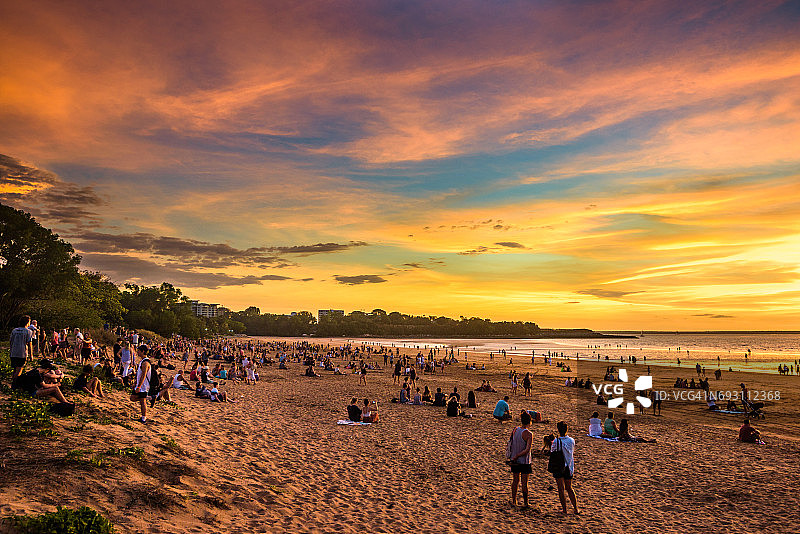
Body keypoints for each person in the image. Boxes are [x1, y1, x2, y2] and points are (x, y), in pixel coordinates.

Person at [506, 410, 533, 508]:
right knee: (524, 483)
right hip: (524, 461)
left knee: (515, 480)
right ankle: (526, 503)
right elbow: (527, 450)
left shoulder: (515, 430)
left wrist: (514, 456)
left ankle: (514, 500)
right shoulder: (529, 434)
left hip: (515, 460)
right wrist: (518, 455)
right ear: (530, 422)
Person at [551, 421, 579, 515]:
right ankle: (575, 508)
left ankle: (564, 509)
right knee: (569, 488)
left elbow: (553, 451)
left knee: (561, 489)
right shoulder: (571, 440)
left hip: (559, 466)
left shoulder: (556, 441)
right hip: (568, 466)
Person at [10, 315, 34, 387]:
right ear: (27, 322)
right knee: (19, 369)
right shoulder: (28, 331)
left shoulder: (14, 330)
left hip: (13, 352)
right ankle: (15, 384)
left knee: (15, 369)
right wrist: (31, 355)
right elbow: (30, 344)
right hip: (22, 352)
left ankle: (14, 383)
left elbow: (11, 341)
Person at [130, 345, 152, 423]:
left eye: (139, 351)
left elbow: (143, 375)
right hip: (140, 384)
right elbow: (139, 374)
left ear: (143, 351)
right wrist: (135, 383)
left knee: (142, 401)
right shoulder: (142, 361)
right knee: (132, 398)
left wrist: (139, 386)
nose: (138, 352)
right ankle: (148, 398)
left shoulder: (146, 362)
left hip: (144, 386)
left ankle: (143, 418)